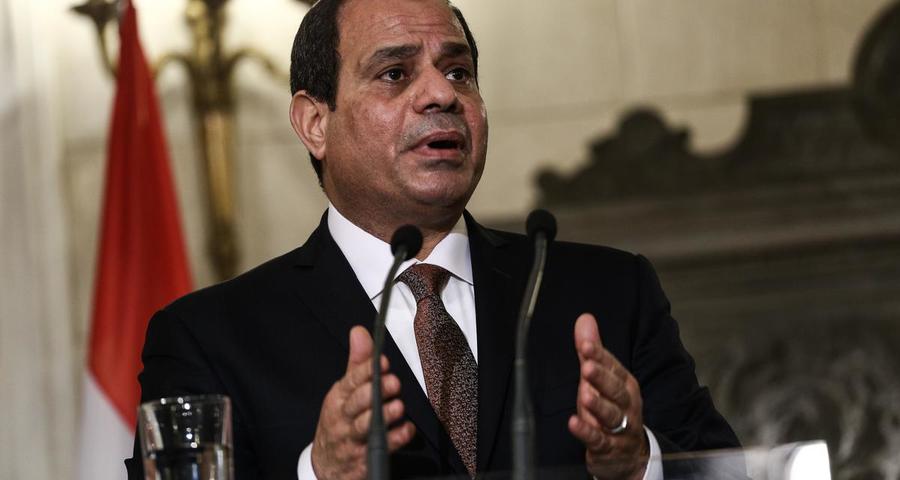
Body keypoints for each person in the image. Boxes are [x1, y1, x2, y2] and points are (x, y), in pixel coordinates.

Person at [126, 0, 739, 478]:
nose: (443, 94)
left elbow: (728, 471)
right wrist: (318, 474)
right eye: (395, 73)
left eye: (459, 72)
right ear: (315, 122)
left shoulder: (608, 292)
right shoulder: (208, 340)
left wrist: (639, 463)